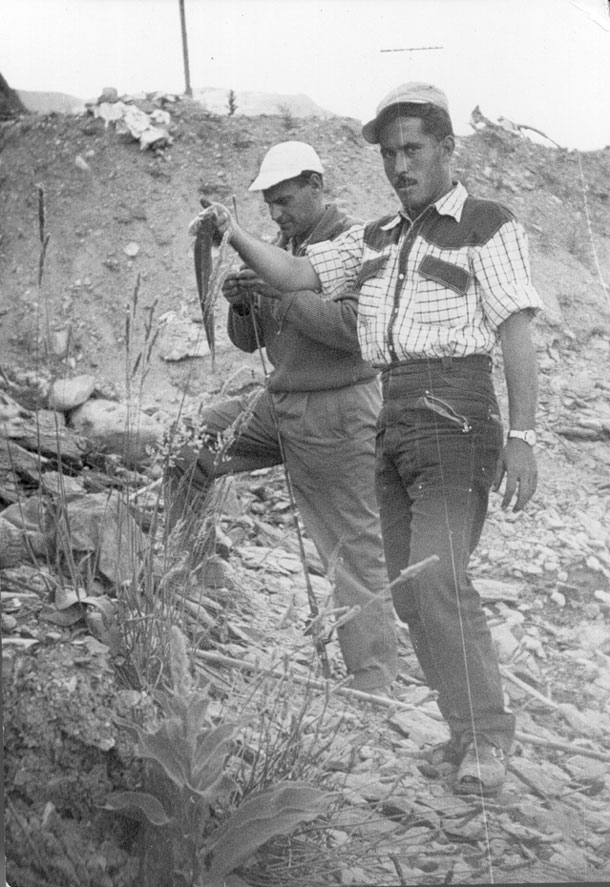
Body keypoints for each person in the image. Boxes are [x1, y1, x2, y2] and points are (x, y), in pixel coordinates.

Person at [192, 84, 543, 795]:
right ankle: (460, 732)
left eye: (413, 149)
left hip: (458, 414)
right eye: (389, 153)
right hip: (394, 416)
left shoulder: (488, 223)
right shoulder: (378, 234)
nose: (399, 165)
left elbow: (516, 329)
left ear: (447, 148)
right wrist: (232, 232)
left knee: (439, 577)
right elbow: (294, 273)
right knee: (412, 589)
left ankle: (487, 737)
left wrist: (525, 435)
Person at [169, 141, 398, 694]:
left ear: (317, 187)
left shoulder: (357, 242)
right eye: (269, 204)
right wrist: (242, 303)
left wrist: (279, 292)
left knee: (350, 547)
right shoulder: (282, 245)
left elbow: (352, 331)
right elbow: (251, 343)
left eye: (286, 200)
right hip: (281, 401)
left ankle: (374, 682)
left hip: (338, 408)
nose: (276, 213)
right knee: (190, 441)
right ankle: (194, 580)